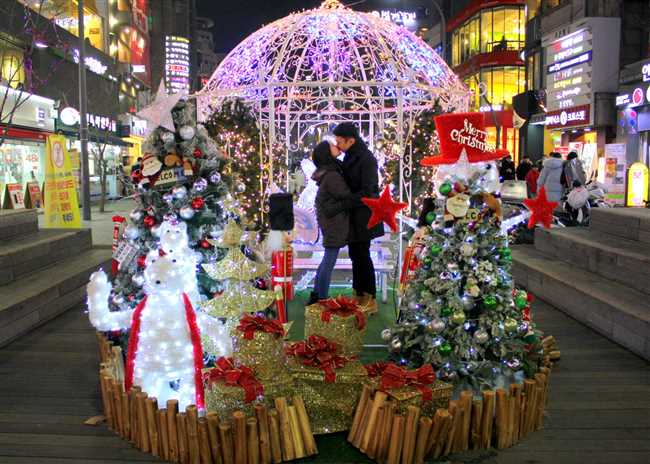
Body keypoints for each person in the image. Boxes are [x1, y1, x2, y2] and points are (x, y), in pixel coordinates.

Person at [333, 122, 383, 312]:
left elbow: (368, 191)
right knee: (356, 255)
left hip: (364, 215)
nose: (338, 146)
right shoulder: (350, 155)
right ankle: (359, 294)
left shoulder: (366, 159)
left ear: (351, 140)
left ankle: (370, 299)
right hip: (354, 215)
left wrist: (345, 201)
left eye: (340, 142)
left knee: (362, 256)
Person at [308, 141, 350, 304]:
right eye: (332, 145)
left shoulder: (330, 171)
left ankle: (317, 293)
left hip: (331, 221)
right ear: (327, 153)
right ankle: (322, 298)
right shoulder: (332, 175)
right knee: (329, 259)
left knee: (328, 258)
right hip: (334, 222)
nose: (336, 145)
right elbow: (344, 194)